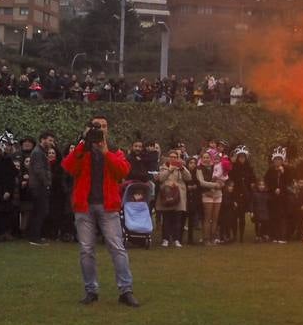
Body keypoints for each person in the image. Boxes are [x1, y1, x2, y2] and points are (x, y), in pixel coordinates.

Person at [62, 115, 138, 307]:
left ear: (108, 129)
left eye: (103, 126)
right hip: (84, 206)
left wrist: (106, 153)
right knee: (86, 250)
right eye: (96, 126)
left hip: (107, 205)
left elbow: (123, 171)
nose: (100, 129)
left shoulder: (113, 149)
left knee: (117, 248)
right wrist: (82, 143)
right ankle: (91, 290)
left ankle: (126, 290)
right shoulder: (82, 149)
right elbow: (69, 168)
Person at [154, 149, 192, 247]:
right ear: (168, 158)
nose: (173, 159)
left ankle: (177, 239)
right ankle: (165, 239)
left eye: (175, 157)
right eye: (171, 157)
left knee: (178, 219)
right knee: (166, 218)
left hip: (179, 196)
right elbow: (160, 178)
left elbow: (189, 178)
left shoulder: (181, 167)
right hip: (166, 196)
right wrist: (170, 170)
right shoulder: (163, 167)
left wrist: (182, 168)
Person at [27, 132, 55, 245]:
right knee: (40, 211)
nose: (51, 143)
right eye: (49, 140)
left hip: (38, 185)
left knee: (38, 211)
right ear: (42, 140)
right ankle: (35, 237)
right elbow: (39, 170)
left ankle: (34, 235)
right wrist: (46, 183)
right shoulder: (38, 152)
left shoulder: (40, 152)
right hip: (39, 186)